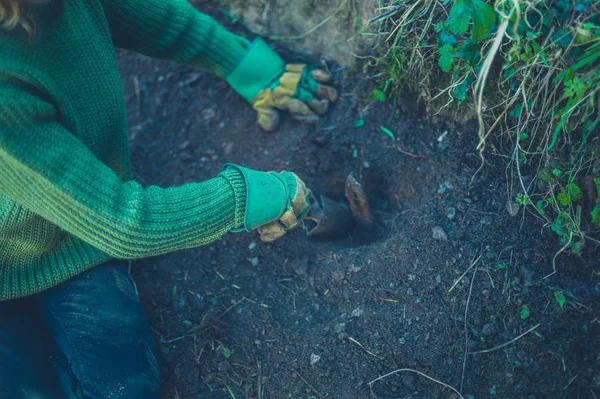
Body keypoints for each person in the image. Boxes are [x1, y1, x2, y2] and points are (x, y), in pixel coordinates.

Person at [0, 0, 338, 397]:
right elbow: (127, 223)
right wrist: (243, 196)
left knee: (126, 389)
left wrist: (244, 65)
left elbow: (141, 15)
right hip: (55, 237)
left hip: (70, 242)